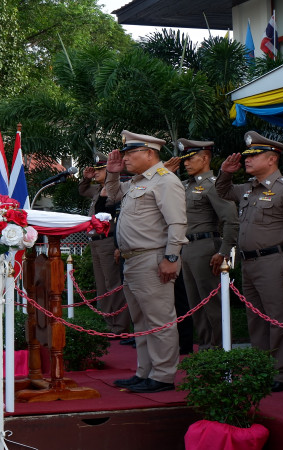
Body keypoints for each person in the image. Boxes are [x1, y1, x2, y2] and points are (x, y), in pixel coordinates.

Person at [216, 131, 283, 392]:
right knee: (255, 320)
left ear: (272, 159)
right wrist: (226, 171)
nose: (247, 160)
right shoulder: (248, 189)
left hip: (276, 261)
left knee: (280, 318)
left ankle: (282, 375)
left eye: (253, 155)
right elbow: (223, 190)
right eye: (247, 156)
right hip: (249, 263)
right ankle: (261, 368)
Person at [105, 130, 188, 394]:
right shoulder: (139, 182)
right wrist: (113, 172)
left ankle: (163, 375)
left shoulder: (165, 181)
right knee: (140, 320)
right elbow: (113, 194)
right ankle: (145, 371)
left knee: (160, 319)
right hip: (132, 260)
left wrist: (171, 257)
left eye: (131, 153)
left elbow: (177, 222)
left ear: (150, 153)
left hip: (153, 258)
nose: (126, 157)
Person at [175, 138, 239, 350]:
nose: (185, 163)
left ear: (204, 159)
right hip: (187, 248)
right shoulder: (184, 186)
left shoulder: (214, 186)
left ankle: (221, 350)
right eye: (184, 160)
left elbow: (231, 220)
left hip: (206, 248)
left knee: (213, 305)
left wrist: (224, 251)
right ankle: (205, 349)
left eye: (190, 159)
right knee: (196, 305)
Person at [78, 153, 131, 335]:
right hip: (96, 242)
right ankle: (109, 324)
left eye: (100, 169)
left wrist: (118, 246)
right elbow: (82, 191)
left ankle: (120, 326)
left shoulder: (119, 190)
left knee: (113, 284)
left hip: (110, 241)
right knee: (102, 285)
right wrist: (85, 179)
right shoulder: (97, 190)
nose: (96, 173)